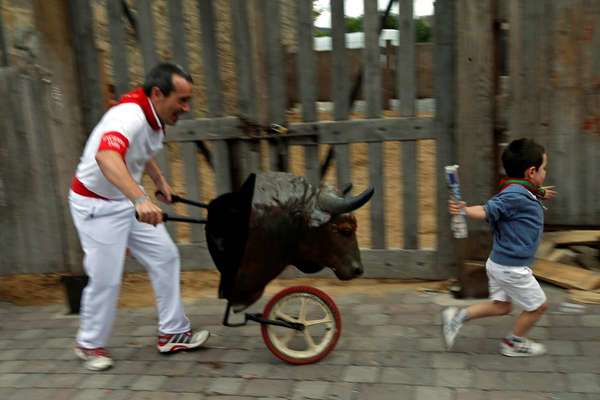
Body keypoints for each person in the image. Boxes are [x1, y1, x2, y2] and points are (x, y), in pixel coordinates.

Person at [69, 62, 209, 371]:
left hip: (123, 199)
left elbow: (139, 152)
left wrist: (159, 182)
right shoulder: (127, 116)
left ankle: (173, 333)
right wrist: (141, 199)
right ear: (158, 93)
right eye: (182, 101)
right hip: (96, 205)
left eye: (189, 100)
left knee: (166, 256)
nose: (186, 108)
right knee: (106, 278)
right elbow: (107, 156)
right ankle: (89, 344)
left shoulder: (155, 114)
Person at [442, 138, 556, 357]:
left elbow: (518, 197)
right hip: (512, 267)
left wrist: (541, 192)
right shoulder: (514, 195)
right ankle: (514, 342)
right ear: (531, 172)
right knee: (538, 306)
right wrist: (464, 210)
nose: (545, 172)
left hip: (499, 263)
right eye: (544, 168)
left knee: (502, 306)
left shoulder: (520, 189)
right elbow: (487, 210)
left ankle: (457, 317)